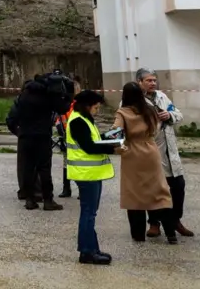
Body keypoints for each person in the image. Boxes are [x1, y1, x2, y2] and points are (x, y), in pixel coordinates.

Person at [113, 81, 177, 244]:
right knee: (159, 191)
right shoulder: (150, 110)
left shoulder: (123, 112)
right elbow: (156, 128)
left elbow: (116, 134)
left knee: (134, 194)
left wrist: (120, 149)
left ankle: (138, 235)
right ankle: (171, 233)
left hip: (133, 152)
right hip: (150, 150)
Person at [67, 90, 125, 265]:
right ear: (86, 106)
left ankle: (92, 249)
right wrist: (113, 149)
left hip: (90, 173)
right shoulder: (78, 121)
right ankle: (87, 252)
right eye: (96, 108)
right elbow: (89, 147)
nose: (97, 111)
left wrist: (110, 137)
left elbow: (95, 139)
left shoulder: (84, 119)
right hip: (86, 174)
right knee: (88, 213)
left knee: (90, 213)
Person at [137, 68, 192, 237]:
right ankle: (154, 223)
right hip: (150, 150)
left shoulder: (162, 97)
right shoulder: (134, 100)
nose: (153, 83)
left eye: (154, 80)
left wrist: (169, 115)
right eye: (149, 80)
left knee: (178, 186)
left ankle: (175, 220)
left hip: (170, 150)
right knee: (153, 188)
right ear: (140, 82)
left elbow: (178, 114)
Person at [10, 74, 68, 211]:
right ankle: (48, 200)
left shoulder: (23, 96)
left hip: (26, 137)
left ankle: (29, 200)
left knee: (28, 169)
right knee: (44, 169)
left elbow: (12, 118)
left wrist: (19, 132)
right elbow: (62, 108)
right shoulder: (47, 96)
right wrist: (64, 94)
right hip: (42, 137)